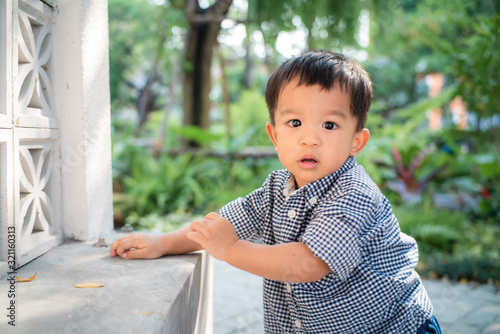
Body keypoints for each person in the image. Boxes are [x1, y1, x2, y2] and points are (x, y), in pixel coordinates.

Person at [110, 50, 441, 334]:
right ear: (274, 135)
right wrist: (164, 242)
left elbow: (308, 264)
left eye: (329, 125)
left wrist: (230, 249)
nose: (309, 139)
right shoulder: (275, 188)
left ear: (357, 140)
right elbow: (224, 224)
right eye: (295, 123)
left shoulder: (354, 195)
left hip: (394, 327)